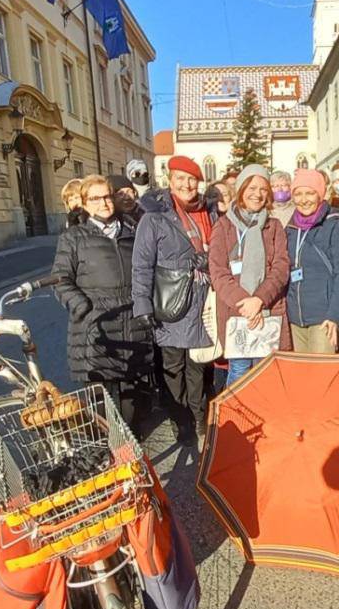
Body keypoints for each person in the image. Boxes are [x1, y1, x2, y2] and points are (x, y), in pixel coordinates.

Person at [51, 175, 153, 430]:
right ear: (85, 204)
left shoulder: (132, 232)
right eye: (95, 198)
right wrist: (83, 308)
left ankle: (130, 451)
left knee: (133, 401)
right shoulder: (73, 238)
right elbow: (60, 280)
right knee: (103, 400)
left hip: (133, 324)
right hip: (97, 328)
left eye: (107, 196)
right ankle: (110, 451)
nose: (104, 203)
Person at [132, 156, 216, 445]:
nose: (187, 184)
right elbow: (142, 264)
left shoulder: (209, 211)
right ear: (170, 180)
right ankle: (181, 421)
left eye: (192, 179)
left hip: (202, 301)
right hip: (171, 302)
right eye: (180, 178)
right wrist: (142, 303)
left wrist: (210, 261)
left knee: (197, 366)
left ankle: (198, 418)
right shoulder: (154, 217)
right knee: (172, 367)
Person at [209, 165, 291, 385]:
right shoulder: (223, 226)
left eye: (263, 189)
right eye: (252, 187)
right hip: (237, 312)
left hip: (268, 310)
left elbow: (281, 268)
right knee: (239, 372)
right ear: (241, 189)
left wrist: (259, 300)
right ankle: (234, 419)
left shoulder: (274, 227)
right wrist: (245, 303)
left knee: (267, 375)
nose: (257, 194)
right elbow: (218, 272)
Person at [284, 169, 339, 353]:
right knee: (302, 376)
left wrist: (335, 316)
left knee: (320, 375)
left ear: (320, 194)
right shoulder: (291, 228)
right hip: (295, 317)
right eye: (298, 194)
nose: (304, 199)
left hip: (324, 317)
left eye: (310, 193)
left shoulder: (334, 224)